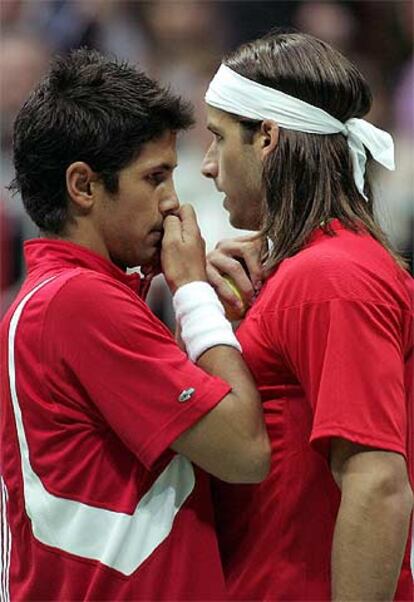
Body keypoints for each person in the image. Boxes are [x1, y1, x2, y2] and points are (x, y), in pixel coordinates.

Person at [0, 49, 270, 600]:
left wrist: (209, 311)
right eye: (156, 177)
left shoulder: (62, 298)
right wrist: (193, 294)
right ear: (83, 186)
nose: (174, 204)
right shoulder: (79, 303)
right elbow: (245, 451)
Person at [201, 31, 414, 601]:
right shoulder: (303, 273)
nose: (206, 166)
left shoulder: (331, 278)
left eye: (218, 139)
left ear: (266, 137)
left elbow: (377, 485)